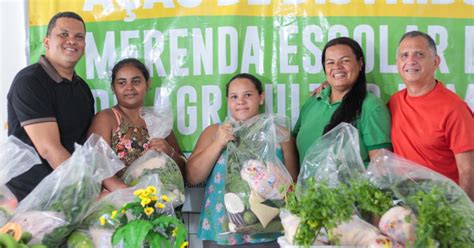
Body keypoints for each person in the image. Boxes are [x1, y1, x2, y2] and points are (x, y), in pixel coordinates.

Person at [186, 73, 299, 247]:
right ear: (228, 101)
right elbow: (193, 176)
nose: (240, 101)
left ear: (261, 97)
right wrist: (218, 143)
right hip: (221, 231)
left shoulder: (280, 134)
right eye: (234, 97)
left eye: (248, 95)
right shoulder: (214, 132)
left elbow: (293, 185)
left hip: (269, 230)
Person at [7, 12, 94, 201]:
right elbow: (49, 149)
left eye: (78, 37)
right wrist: (87, 191)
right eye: (63, 34)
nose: (71, 41)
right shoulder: (30, 82)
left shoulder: (83, 89)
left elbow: (84, 147)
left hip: (68, 193)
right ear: (46, 42)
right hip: (30, 197)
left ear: (84, 46)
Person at [388, 31, 474, 200]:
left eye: (419, 54)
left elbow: (469, 170)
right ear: (398, 63)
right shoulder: (394, 102)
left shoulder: (454, 108)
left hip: (443, 205)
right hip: (403, 203)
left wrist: (464, 215)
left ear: (435, 62)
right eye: (404, 55)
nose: (410, 61)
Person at [87, 58, 186, 192]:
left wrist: (170, 152)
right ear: (113, 87)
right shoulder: (106, 118)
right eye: (122, 83)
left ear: (148, 83)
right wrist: (128, 195)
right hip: (118, 204)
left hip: (160, 203)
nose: (129, 87)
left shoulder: (158, 121)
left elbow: (185, 169)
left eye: (136, 81)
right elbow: (96, 165)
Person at [293, 37, 391, 165]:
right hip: (306, 185)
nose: (337, 67)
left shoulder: (371, 106)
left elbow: (381, 168)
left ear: (360, 63)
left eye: (345, 60)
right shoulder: (313, 102)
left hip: (352, 185)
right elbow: (293, 147)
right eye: (330, 62)